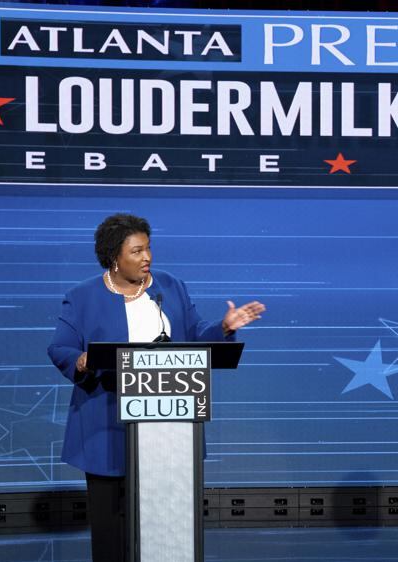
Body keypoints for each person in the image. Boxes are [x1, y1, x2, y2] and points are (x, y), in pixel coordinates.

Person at [47, 214, 265, 562]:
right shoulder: (82, 296)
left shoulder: (170, 287)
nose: (147, 257)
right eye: (136, 251)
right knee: (111, 527)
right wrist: (82, 360)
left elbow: (194, 336)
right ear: (114, 257)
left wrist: (223, 328)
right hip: (107, 424)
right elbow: (60, 347)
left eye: (148, 248)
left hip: (170, 430)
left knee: (166, 524)